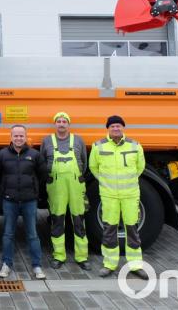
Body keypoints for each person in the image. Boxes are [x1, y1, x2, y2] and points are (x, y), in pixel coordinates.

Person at [89, 115, 148, 279]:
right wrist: (105, 182)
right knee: (109, 230)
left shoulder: (135, 146)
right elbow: (93, 167)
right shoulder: (98, 146)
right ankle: (109, 264)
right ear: (108, 128)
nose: (116, 128)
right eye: (113, 126)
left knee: (132, 229)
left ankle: (136, 265)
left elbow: (140, 167)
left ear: (123, 128)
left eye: (118, 126)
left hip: (130, 195)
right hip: (109, 196)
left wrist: (127, 182)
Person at [0, 125, 48, 280]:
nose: (18, 138)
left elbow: (43, 174)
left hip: (29, 201)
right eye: (15, 136)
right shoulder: (2, 155)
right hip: (10, 201)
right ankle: (6, 264)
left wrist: (33, 188)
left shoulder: (34, 155)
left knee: (32, 234)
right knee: (8, 234)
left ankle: (37, 266)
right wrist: (6, 187)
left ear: (26, 137)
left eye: (21, 136)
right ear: (10, 137)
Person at [41, 112, 91, 271]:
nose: (61, 124)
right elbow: (42, 162)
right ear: (55, 124)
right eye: (58, 121)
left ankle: (82, 257)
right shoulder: (47, 141)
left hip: (76, 185)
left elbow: (84, 162)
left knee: (79, 221)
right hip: (56, 186)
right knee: (57, 221)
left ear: (68, 125)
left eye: (64, 121)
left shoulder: (78, 140)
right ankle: (59, 256)